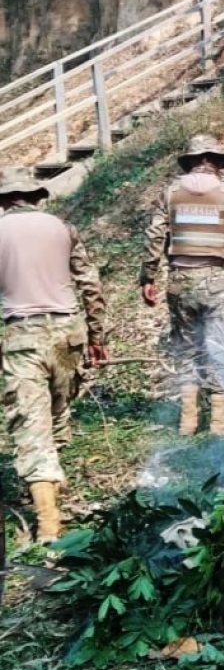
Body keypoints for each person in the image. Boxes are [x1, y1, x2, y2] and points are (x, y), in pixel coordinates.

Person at [0, 167, 107, 542]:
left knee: (31, 423)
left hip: (22, 336)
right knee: (58, 409)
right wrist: (97, 335)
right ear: (34, 197)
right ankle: (53, 489)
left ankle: (48, 523)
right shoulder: (62, 227)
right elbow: (89, 282)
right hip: (68, 333)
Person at [141, 135, 224, 437]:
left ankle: (188, 421)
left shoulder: (168, 193)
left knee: (187, 348)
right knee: (220, 346)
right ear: (216, 163)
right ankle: (219, 423)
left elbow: (154, 237)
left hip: (179, 281)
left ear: (191, 162)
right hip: (218, 280)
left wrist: (148, 278)